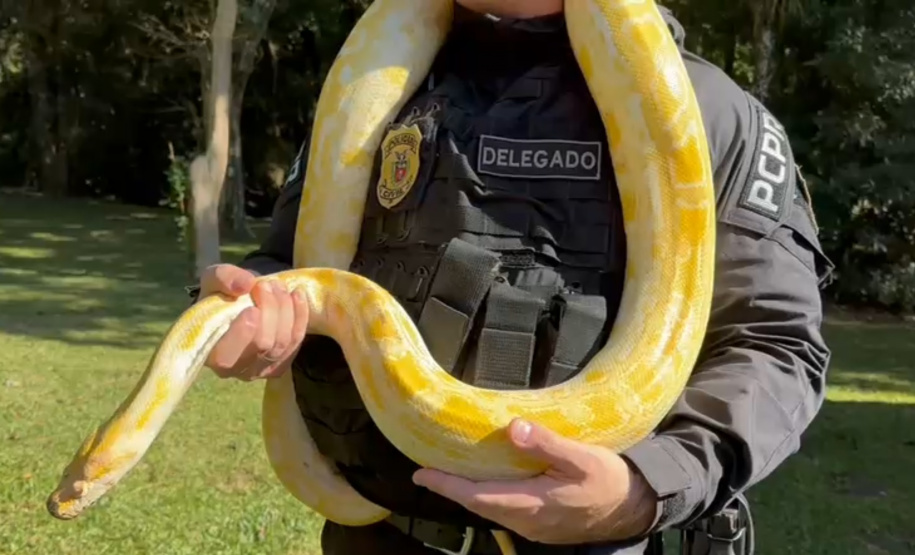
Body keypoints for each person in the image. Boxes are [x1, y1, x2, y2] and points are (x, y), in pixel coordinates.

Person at [188, 1, 834, 553]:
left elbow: (773, 345)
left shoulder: (709, 114)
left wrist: (642, 487)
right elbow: (292, 266)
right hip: (377, 536)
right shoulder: (374, 87)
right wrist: (250, 304)